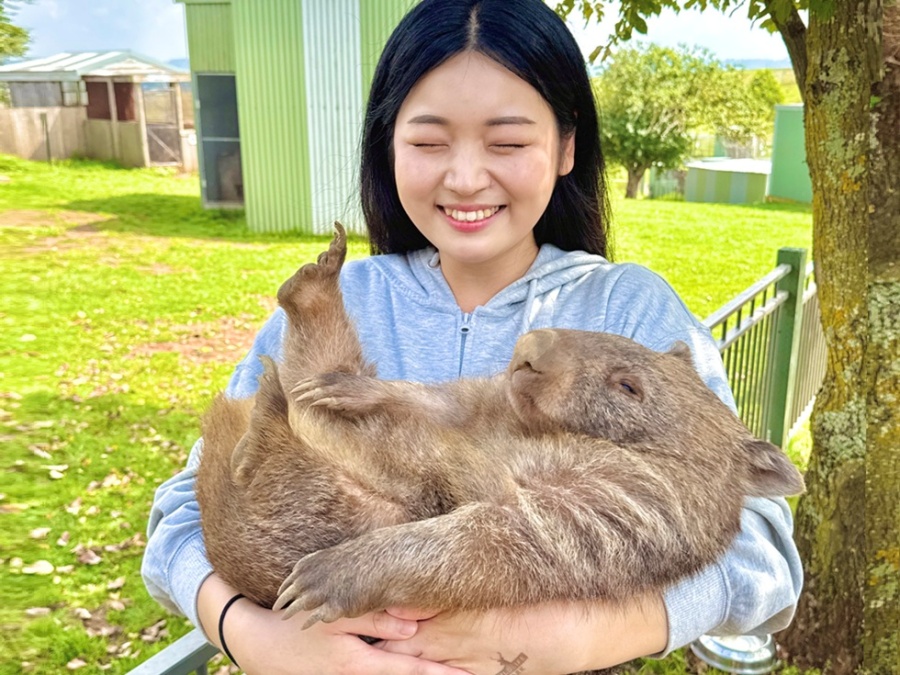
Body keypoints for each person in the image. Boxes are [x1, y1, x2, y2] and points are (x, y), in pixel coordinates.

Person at [142, 1, 803, 673]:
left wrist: (582, 635)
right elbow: (179, 510)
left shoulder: (627, 308)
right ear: (388, 144)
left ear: (567, 145)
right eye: (429, 142)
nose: (464, 177)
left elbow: (762, 550)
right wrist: (254, 637)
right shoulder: (354, 293)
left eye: (508, 142)